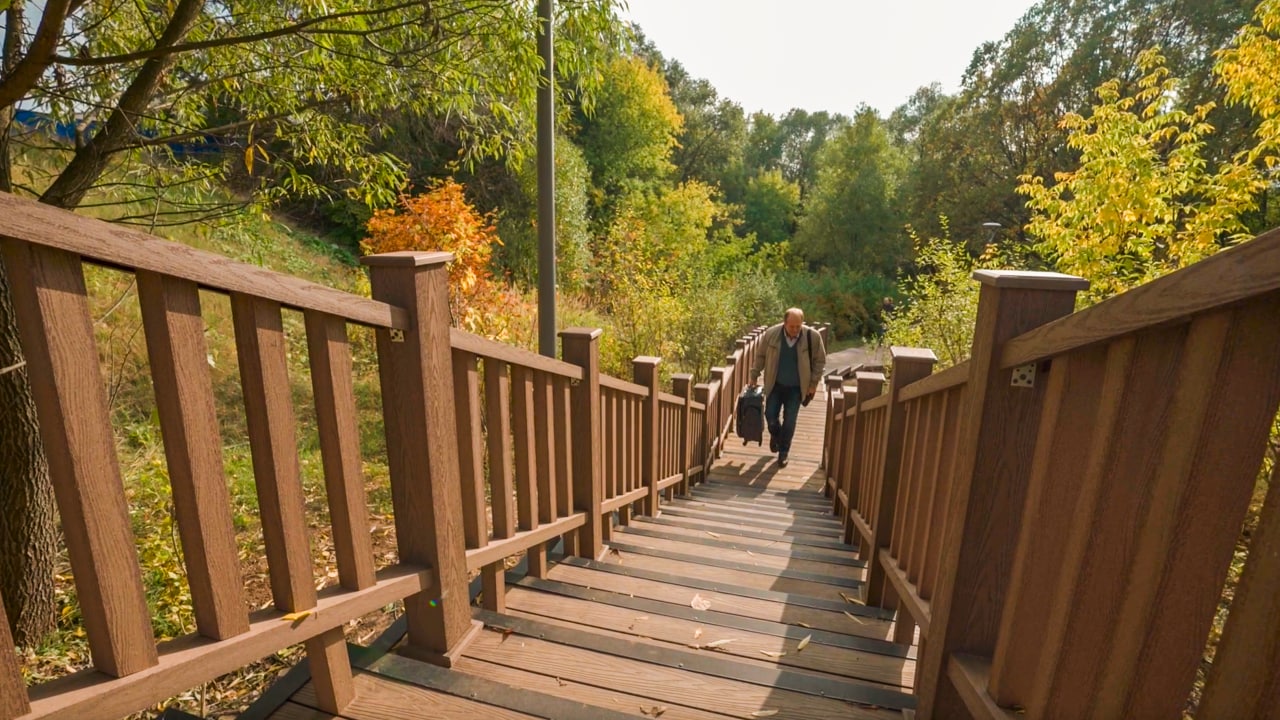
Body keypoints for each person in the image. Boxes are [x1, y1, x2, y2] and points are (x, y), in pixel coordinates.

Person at [749, 308, 827, 467]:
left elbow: (820, 362)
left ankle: (783, 452)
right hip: (774, 384)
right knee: (770, 416)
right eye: (792, 326)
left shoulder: (812, 337)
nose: (795, 330)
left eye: (798, 326)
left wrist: (813, 384)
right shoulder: (771, 334)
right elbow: (760, 356)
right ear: (784, 323)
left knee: (790, 421)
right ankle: (776, 435)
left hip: (797, 388)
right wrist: (754, 375)